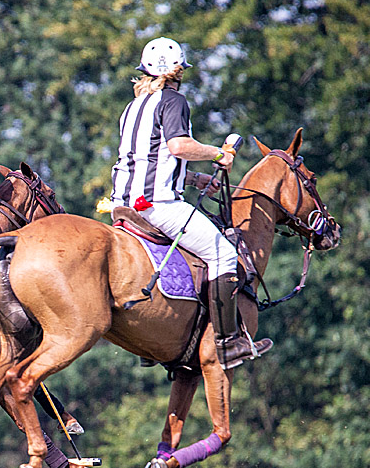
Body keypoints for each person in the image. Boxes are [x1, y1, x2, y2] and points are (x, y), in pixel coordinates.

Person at [109, 37, 272, 370]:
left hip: (123, 203)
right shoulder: (173, 101)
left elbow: (148, 158)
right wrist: (218, 153)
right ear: (175, 70)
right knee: (223, 255)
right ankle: (227, 343)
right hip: (157, 205)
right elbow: (179, 146)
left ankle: (153, 336)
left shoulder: (133, 107)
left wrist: (194, 180)